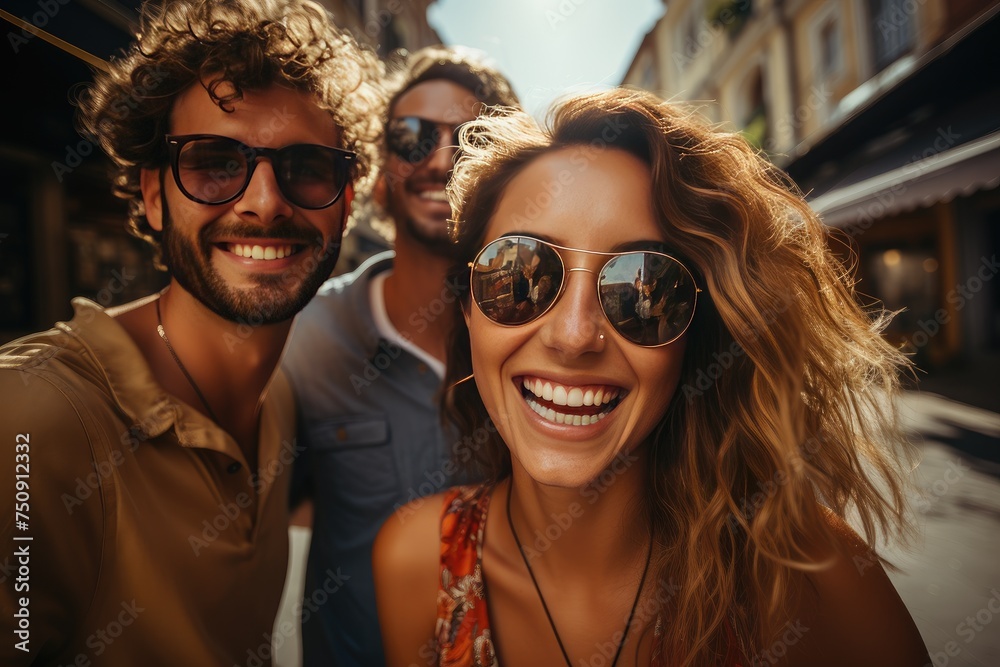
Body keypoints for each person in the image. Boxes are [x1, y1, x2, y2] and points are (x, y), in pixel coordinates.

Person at [372, 89, 931, 667]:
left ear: (697, 332)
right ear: (468, 309)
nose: (573, 335)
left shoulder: (810, 581)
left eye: (644, 287)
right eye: (519, 273)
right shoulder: (415, 563)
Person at [0, 0, 383, 664]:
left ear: (346, 203)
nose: (264, 200)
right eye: (214, 162)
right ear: (152, 194)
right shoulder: (32, 421)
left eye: (308, 167)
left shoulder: (280, 401)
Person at [280, 45, 519, 666]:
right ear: (380, 167)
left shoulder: (546, 338)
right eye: (413, 137)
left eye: (469, 140)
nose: (440, 160)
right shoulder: (309, 334)